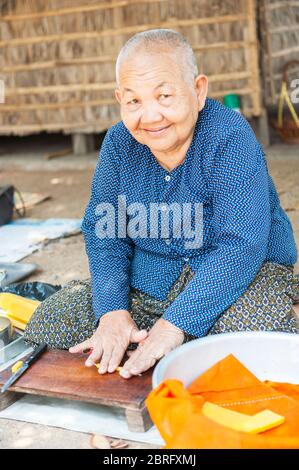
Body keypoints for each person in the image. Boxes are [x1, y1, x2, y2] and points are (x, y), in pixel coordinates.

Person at [24, 29, 299, 379]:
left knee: (254, 337)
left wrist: (176, 325)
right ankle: (151, 337)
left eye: (164, 96)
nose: (150, 116)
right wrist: (112, 312)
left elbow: (241, 244)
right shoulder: (119, 143)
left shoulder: (229, 135)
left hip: (240, 276)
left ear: (198, 91)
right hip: (149, 284)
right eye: (134, 101)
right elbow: (104, 230)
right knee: (53, 320)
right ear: (119, 98)